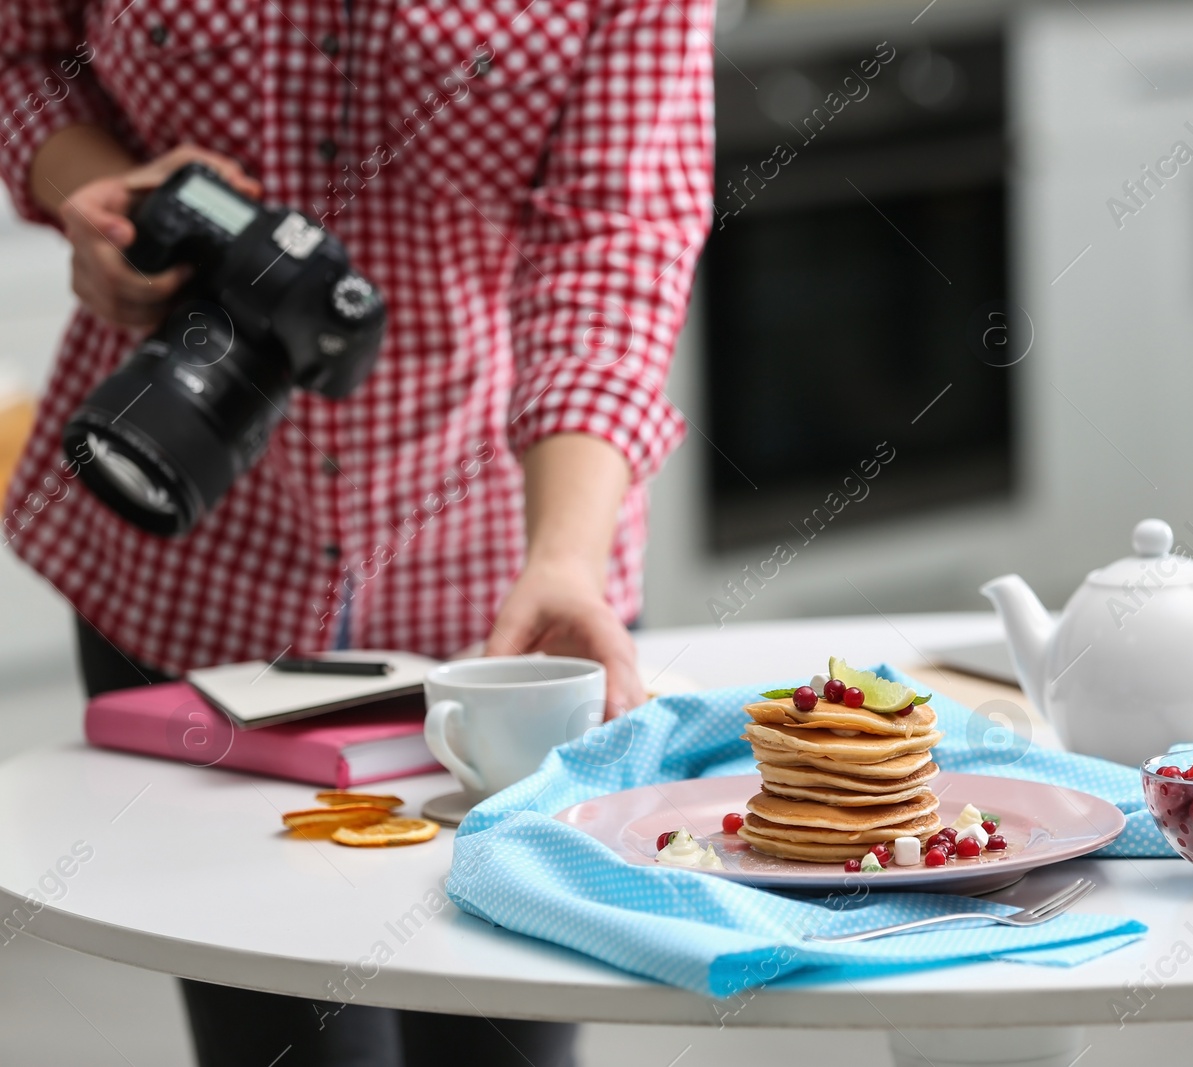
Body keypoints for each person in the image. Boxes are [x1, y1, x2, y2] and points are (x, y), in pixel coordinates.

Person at [0, 1, 714, 1064]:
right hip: (186, 552)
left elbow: (614, 238)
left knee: (497, 1036)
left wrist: (562, 556)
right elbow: (26, 53)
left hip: (505, 585)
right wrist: (92, 194)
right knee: (277, 1042)